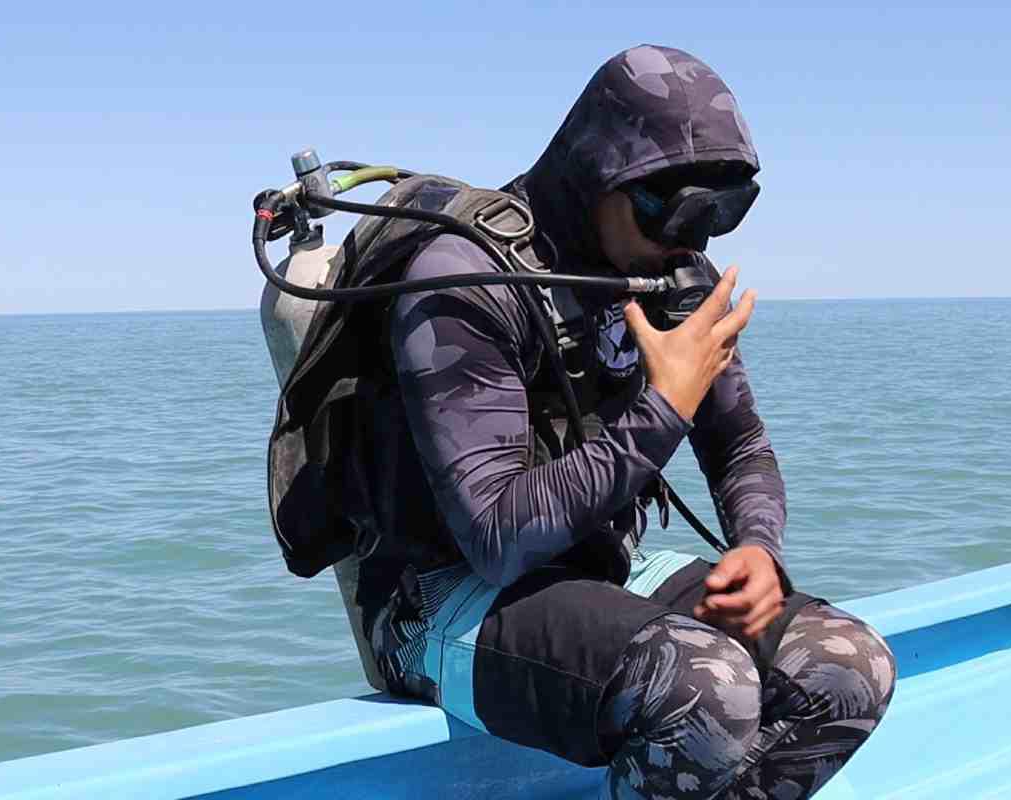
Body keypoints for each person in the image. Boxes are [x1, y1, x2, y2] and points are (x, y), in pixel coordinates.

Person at [280, 44, 898, 799]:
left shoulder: (670, 276)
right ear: (598, 170)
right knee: (703, 686)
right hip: (440, 598)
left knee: (847, 666)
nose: (690, 241)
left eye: (718, 216)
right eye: (669, 208)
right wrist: (663, 407)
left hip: (600, 564)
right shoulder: (462, 282)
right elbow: (498, 539)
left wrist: (759, 549)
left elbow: (740, 444)